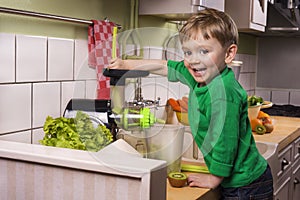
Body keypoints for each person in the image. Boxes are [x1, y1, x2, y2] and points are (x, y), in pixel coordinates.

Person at [108, 8, 273, 200]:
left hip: (247, 186)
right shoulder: (201, 74)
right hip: (240, 182)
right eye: (188, 52)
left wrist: (214, 178)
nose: (193, 60)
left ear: (228, 54)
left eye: (204, 51)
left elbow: (225, 142)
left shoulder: (223, 93)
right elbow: (166, 66)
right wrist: (124, 65)